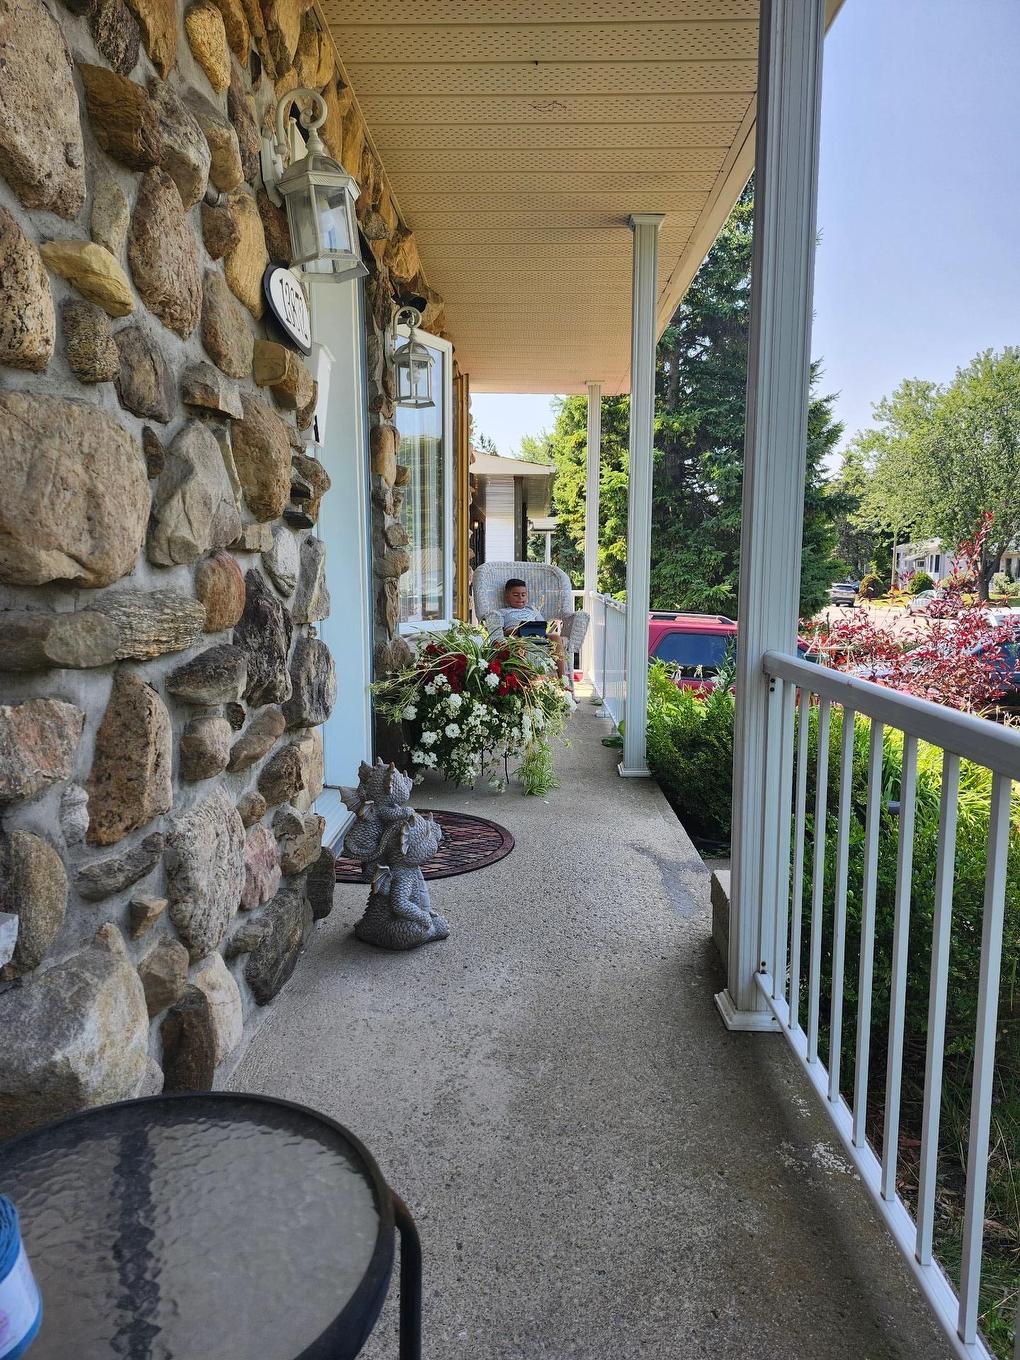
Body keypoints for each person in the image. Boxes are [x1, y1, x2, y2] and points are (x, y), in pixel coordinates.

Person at [498, 578, 566, 679]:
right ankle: (529, 678)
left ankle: (562, 678)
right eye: (516, 595)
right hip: (517, 634)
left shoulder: (532, 610)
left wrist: (555, 624)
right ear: (507, 597)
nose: (520, 598)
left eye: (523, 595)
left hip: (537, 632)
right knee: (518, 638)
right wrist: (516, 629)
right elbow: (500, 633)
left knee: (555, 633)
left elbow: (543, 624)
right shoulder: (502, 612)